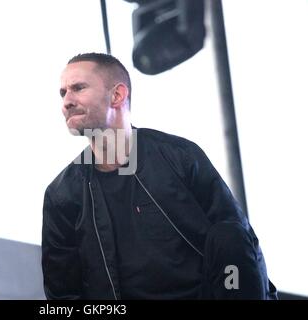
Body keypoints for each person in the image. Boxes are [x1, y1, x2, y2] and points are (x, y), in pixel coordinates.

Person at [41, 52, 277, 299]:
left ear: (117, 95)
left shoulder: (179, 157)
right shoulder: (62, 195)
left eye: (78, 88)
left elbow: (239, 245)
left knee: (228, 234)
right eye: (63, 92)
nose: (67, 101)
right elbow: (63, 293)